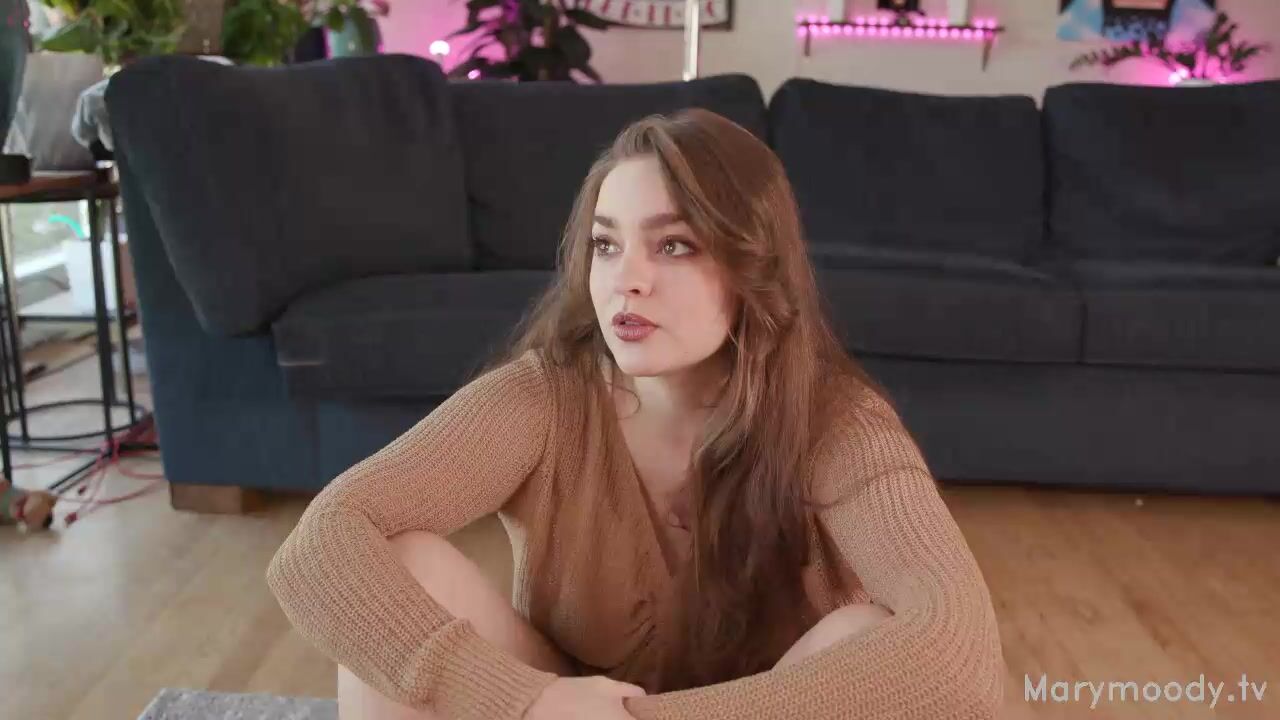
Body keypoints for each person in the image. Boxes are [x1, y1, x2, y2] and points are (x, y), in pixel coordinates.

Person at [266, 108, 1004, 720]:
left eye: (674, 245)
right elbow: (317, 547)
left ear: (755, 266)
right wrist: (526, 701)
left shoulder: (838, 424)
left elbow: (959, 657)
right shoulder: (544, 397)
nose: (627, 281)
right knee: (403, 563)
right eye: (606, 244)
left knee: (863, 633)